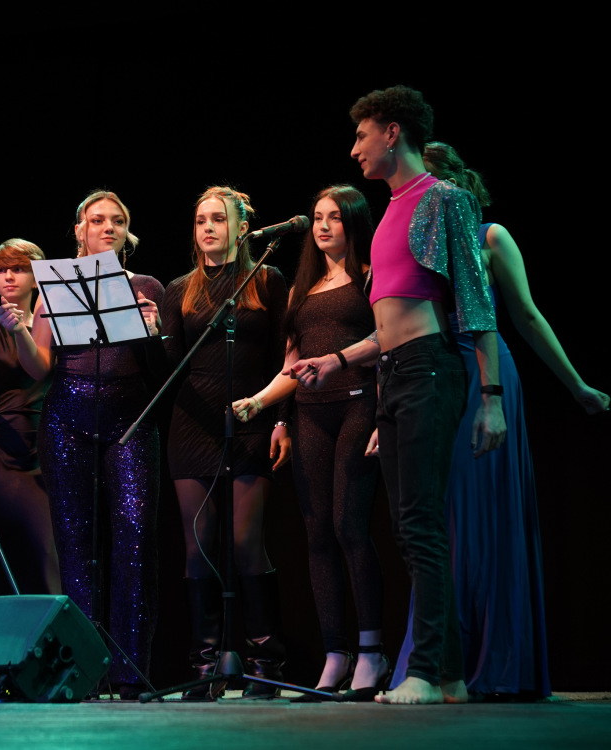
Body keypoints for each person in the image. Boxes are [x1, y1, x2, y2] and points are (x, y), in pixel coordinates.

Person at [288, 85, 507, 705]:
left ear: (392, 133)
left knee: (418, 525)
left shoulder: (444, 200)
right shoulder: (389, 212)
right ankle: (451, 677)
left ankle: (429, 672)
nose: (354, 147)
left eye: (361, 135)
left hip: (430, 370)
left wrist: (490, 395)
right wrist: (336, 359)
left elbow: (475, 303)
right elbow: (386, 326)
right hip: (397, 373)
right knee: (411, 528)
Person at [388, 142, 610, 699]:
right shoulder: (412, 242)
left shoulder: (490, 237)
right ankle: (442, 664)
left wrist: (576, 385)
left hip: (483, 374)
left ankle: (497, 661)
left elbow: (527, 316)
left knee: (484, 519)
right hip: (432, 373)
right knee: (438, 519)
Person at [6, 190, 163, 699]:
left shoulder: (144, 286)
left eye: (118, 220)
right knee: (76, 544)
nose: (108, 227)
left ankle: (129, 671)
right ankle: (85, 669)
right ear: (79, 229)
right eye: (98, 220)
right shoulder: (55, 283)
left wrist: (153, 332)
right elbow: (41, 367)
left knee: (135, 534)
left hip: (130, 417)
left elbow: (161, 372)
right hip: (67, 416)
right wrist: (17, 335)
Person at [234, 185, 387, 701]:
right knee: (317, 531)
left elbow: (389, 343)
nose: (323, 226)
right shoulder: (304, 288)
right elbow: (290, 367)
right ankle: (335, 653)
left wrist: (382, 416)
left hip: (358, 404)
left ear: (354, 224)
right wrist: (265, 408)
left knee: (349, 525)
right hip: (309, 415)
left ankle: (371, 651)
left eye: (335, 218)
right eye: (318, 217)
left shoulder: (370, 277)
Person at [160, 186, 290, 699]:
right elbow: (167, 370)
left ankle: (264, 661)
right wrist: (153, 337)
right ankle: (205, 664)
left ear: (242, 227)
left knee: (244, 541)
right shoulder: (179, 290)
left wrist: (281, 419)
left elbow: (288, 354)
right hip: (191, 429)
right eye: (200, 221)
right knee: (199, 550)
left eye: (218, 218)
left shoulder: (268, 282)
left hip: (252, 421)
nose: (208, 228)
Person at [0, 238, 60, 596]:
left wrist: (20, 330)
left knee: (46, 552)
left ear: (36, 276)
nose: (8, 277)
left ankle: (47, 639)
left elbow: (39, 370)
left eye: (18, 269)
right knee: (4, 550)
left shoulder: (46, 318)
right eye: (1, 270)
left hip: (43, 447)